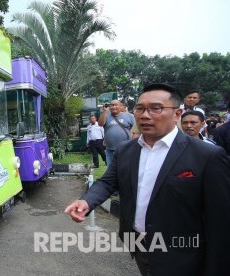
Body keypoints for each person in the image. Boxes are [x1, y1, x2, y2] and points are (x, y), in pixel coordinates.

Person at [65, 83, 230, 276]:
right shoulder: (126, 150)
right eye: (140, 108)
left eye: (156, 108)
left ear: (176, 114)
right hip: (139, 244)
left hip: (184, 253)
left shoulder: (207, 155)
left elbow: (221, 222)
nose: (145, 115)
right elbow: (108, 182)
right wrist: (86, 201)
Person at [98, 100, 135, 167]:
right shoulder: (106, 116)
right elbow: (100, 124)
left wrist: (132, 140)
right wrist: (104, 111)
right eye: (112, 105)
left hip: (125, 149)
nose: (114, 106)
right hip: (110, 150)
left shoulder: (129, 116)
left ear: (120, 106)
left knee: (125, 169)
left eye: (116, 105)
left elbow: (136, 129)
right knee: (111, 170)